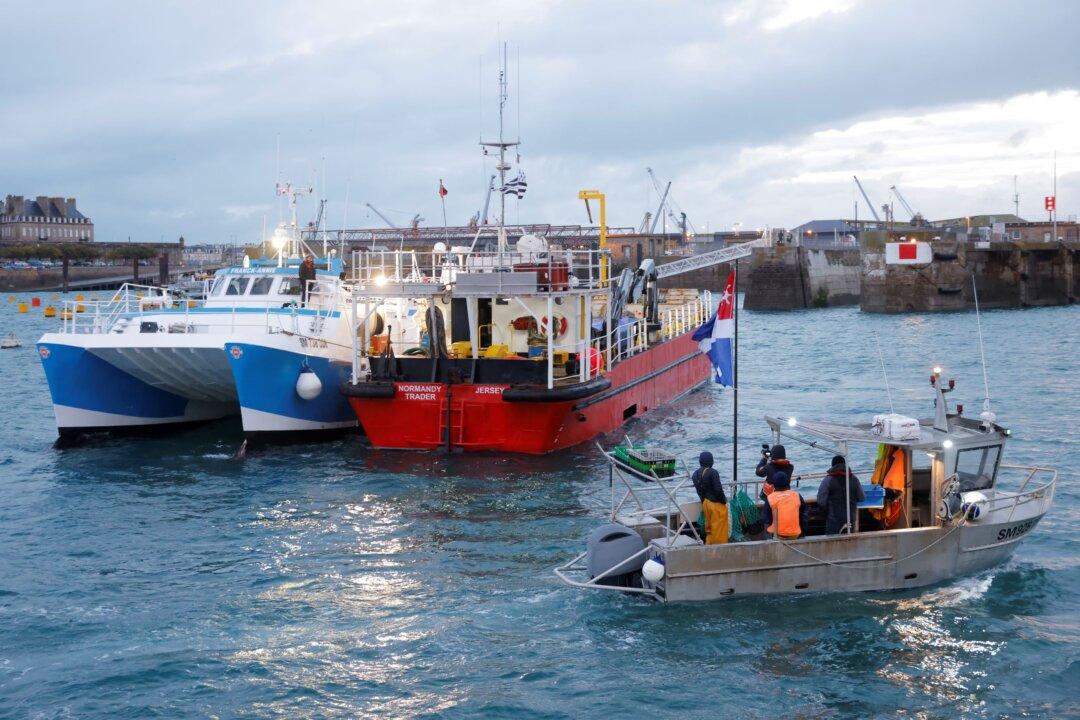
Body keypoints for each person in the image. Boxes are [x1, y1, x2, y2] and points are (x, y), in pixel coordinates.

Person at [816, 455, 865, 535]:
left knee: (832, 541)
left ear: (832, 466)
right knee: (850, 540)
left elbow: (821, 501)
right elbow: (862, 497)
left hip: (834, 520)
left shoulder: (827, 480)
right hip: (851, 519)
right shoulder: (854, 479)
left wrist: (825, 513)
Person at [691, 451, 729, 545]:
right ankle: (720, 548)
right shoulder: (713, 472)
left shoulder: (695, 474)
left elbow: (699, 491)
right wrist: (724, 501)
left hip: (705, 504)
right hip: (716, 505)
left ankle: (709, 545)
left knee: (709, 529)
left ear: (700, 461)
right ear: (711, 461)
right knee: (719, 530)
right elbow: (718, 490)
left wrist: (704, 501)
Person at [761, 471, 806, 540]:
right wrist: (802, 533)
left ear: (774, 484)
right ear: (788, 482)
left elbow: (765, 519)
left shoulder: (770, 498)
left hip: (778, 535)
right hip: (795, 535)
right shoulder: (797, 495)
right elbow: (804, 516)